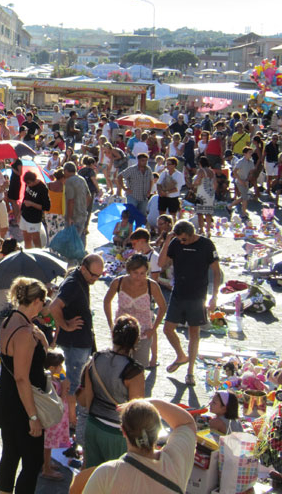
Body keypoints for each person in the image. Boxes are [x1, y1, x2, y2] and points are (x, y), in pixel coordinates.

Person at [0, 277, 49, 494]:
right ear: (36, 301)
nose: (44, 307)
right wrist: (33, 416)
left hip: (6, 398)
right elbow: (22, 377)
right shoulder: (25, 333)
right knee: (33, 462)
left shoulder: (9, 321)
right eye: (43, 302)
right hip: (22, 404)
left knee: (10, 454)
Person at [82, 399, 196, 494]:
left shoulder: (107, 473)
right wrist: (150, 403)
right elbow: (186, 423)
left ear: (123, 431)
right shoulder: (176, 462)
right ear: (159, 429)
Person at [158, 220, 221, 386]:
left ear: (192, 235)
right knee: (167, 329)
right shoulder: (176, 243)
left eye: (184, 239)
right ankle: (181, 355)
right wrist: (167, 241)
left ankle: (190, 371)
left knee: (194, 333)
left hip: (198, 295)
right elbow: (161, 264)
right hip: (178, 292)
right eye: (179, 239)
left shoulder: (206, 245)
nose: (181, 242)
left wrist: (214, 296)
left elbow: (216, 271)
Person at [77, 315, 145, 467]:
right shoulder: (134, 371)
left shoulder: (95, 360)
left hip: (94, 426)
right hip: (118, 434)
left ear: (113, 335)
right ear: (136, 341)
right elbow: (135, 411)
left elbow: (83, 399)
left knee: (91, 477)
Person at [48, 254, 103, 401]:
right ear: (84, 269)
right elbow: (54, 307)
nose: (95, 279)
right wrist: (66, 325)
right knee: (72, 384)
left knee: (72, 383)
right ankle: (69, 416)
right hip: (74, 345)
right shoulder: (73, 283)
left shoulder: (80, 278)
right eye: (93, 275)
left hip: (78, 342)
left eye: (99, 276)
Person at [42, 351, 73, 481]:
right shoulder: (51, 383)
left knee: (48, 445)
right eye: (59, 365)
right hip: (53, 420)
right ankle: (46, 468)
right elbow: (56, 401)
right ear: (52, 368)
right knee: (48, 445)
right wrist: (65, 390)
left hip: (57, 419)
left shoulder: (53, 379)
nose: (61, 368)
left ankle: (46, 463)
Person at [20, 170, 50, 249]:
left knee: (36, 239)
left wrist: (32, 204)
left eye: (29, 183)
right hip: (25, 215)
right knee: (26, 238)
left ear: (34, 181)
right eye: (26, 183)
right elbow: (25, 197)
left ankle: (38, 256)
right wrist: (20, 211)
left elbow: (46, 207)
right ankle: (27, 255)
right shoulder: (28, 184)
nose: (27, 185)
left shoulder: (42, 188)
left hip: (34, 218)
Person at [64, 161, 92, 239]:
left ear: (66, 171)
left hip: (74, 215)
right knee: (77, 238)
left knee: (71, 241)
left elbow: (71, 200)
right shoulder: (81, 179)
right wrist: (84, 207)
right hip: (82, 214)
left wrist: (69, 217)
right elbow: (89, 196)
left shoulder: (69, 181)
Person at [192, 155, 217, 237]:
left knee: (200, 213)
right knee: (208, 213)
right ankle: (208, 230)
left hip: (202, 193)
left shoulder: (201, 171)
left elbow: (197, 182)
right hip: (210, 194)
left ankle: (201, 230)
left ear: (200, 163)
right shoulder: (211, 171)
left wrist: (192, 183)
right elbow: (215, 184)